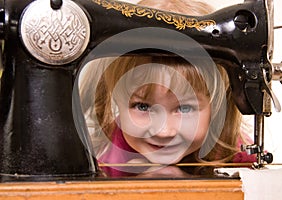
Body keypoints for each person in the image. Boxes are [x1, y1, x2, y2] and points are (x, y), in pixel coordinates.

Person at [79, 0, 256, 177]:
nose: (163, 131)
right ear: (115, 97)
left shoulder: (238, 158)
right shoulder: (103, 158)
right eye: (143, 107)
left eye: (184, 108)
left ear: (217, 105)